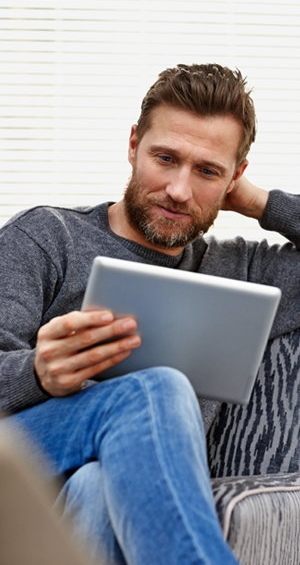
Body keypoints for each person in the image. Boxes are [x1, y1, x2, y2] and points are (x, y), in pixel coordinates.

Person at [1, 63, 300, 565]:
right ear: (134, 144)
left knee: (100, 488)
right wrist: (36, 372)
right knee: (155, 388)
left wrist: (261, 203)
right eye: (165, 158)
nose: (179, 190)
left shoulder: (236, 269)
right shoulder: (46, 237)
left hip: (100, 499)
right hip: (23, 467)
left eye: (207, 171)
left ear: (235, 178)